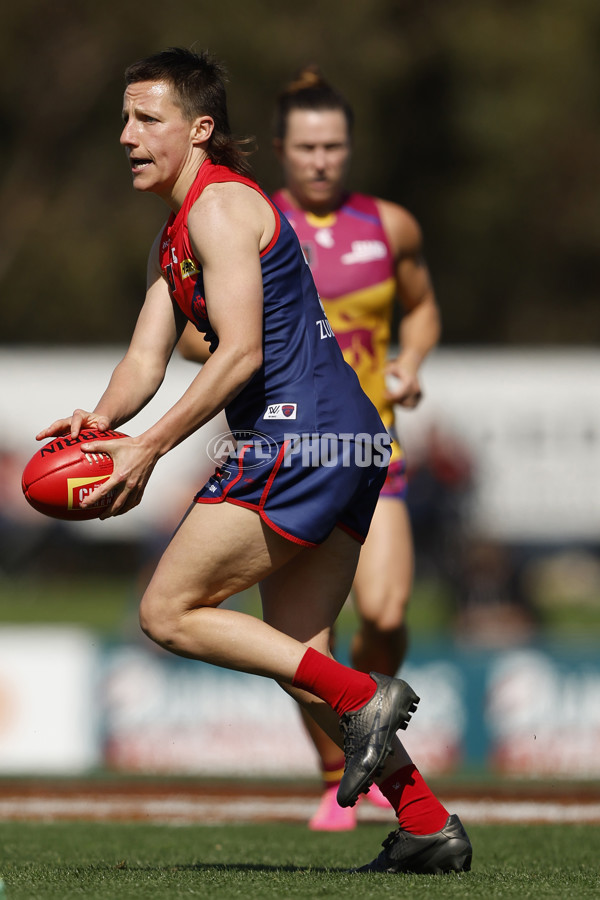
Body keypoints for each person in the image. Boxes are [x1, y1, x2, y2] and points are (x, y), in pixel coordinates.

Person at [36, 48, 471, 875]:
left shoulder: (221, 209)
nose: (127, 136)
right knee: (302, 658)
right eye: (124, 120)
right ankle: (427, 824)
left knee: (167, 612)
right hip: (344, 438)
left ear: (199, 130)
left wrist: (147, 450)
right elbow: (144, 360)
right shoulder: (181, 230)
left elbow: (236, 357)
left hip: (296, 434)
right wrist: (101, 419)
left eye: (147, 119)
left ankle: (366, 697)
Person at [179, 64, 442, 832]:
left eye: (334, 146)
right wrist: (235, 347)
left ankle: (363, 705)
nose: (321, 159)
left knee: (386, 613)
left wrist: (410, 362)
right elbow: (209, 335)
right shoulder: (250, 219)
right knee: (302, 643)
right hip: (289, 445)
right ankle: (339, 772)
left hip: (363, 445)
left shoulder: (390, 226)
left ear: (349, 148)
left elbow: (421, 309)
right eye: (307, 147)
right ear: (284, 151)